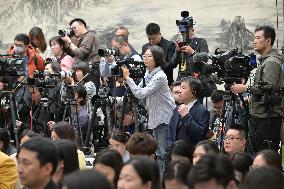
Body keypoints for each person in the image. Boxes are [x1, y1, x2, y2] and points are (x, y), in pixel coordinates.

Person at [122, 45, 175, 171]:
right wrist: (128, 80)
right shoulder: (148, 73)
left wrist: (128, 78)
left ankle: (163, 181)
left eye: (149, 56)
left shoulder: (160, 76)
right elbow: (138, 90)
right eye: (144, 56)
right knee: (157, 152)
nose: (145, 58)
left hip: (164, 116)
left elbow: (141, 93)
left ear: (157, 58)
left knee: (162, 153)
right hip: (155, 115)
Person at [230, 25, 283, 153]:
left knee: (264, 156)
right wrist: (251, 96)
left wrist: (245, 88)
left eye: (258, 38)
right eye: (254, 38)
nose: (254, 41)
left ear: (268, 41)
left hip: (267, 119)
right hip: (261, 116)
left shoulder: (271, 62)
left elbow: (268, 89)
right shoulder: (265, 61)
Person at [166, 77, 210, 150]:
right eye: (180, 88)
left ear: (193, 93)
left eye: (183, 88)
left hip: (190, 155)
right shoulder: (176, 109)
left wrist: (186, 116)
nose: (180, 91)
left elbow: (200, 135)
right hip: (174, 155)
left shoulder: (202, 111)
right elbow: (169, 133)